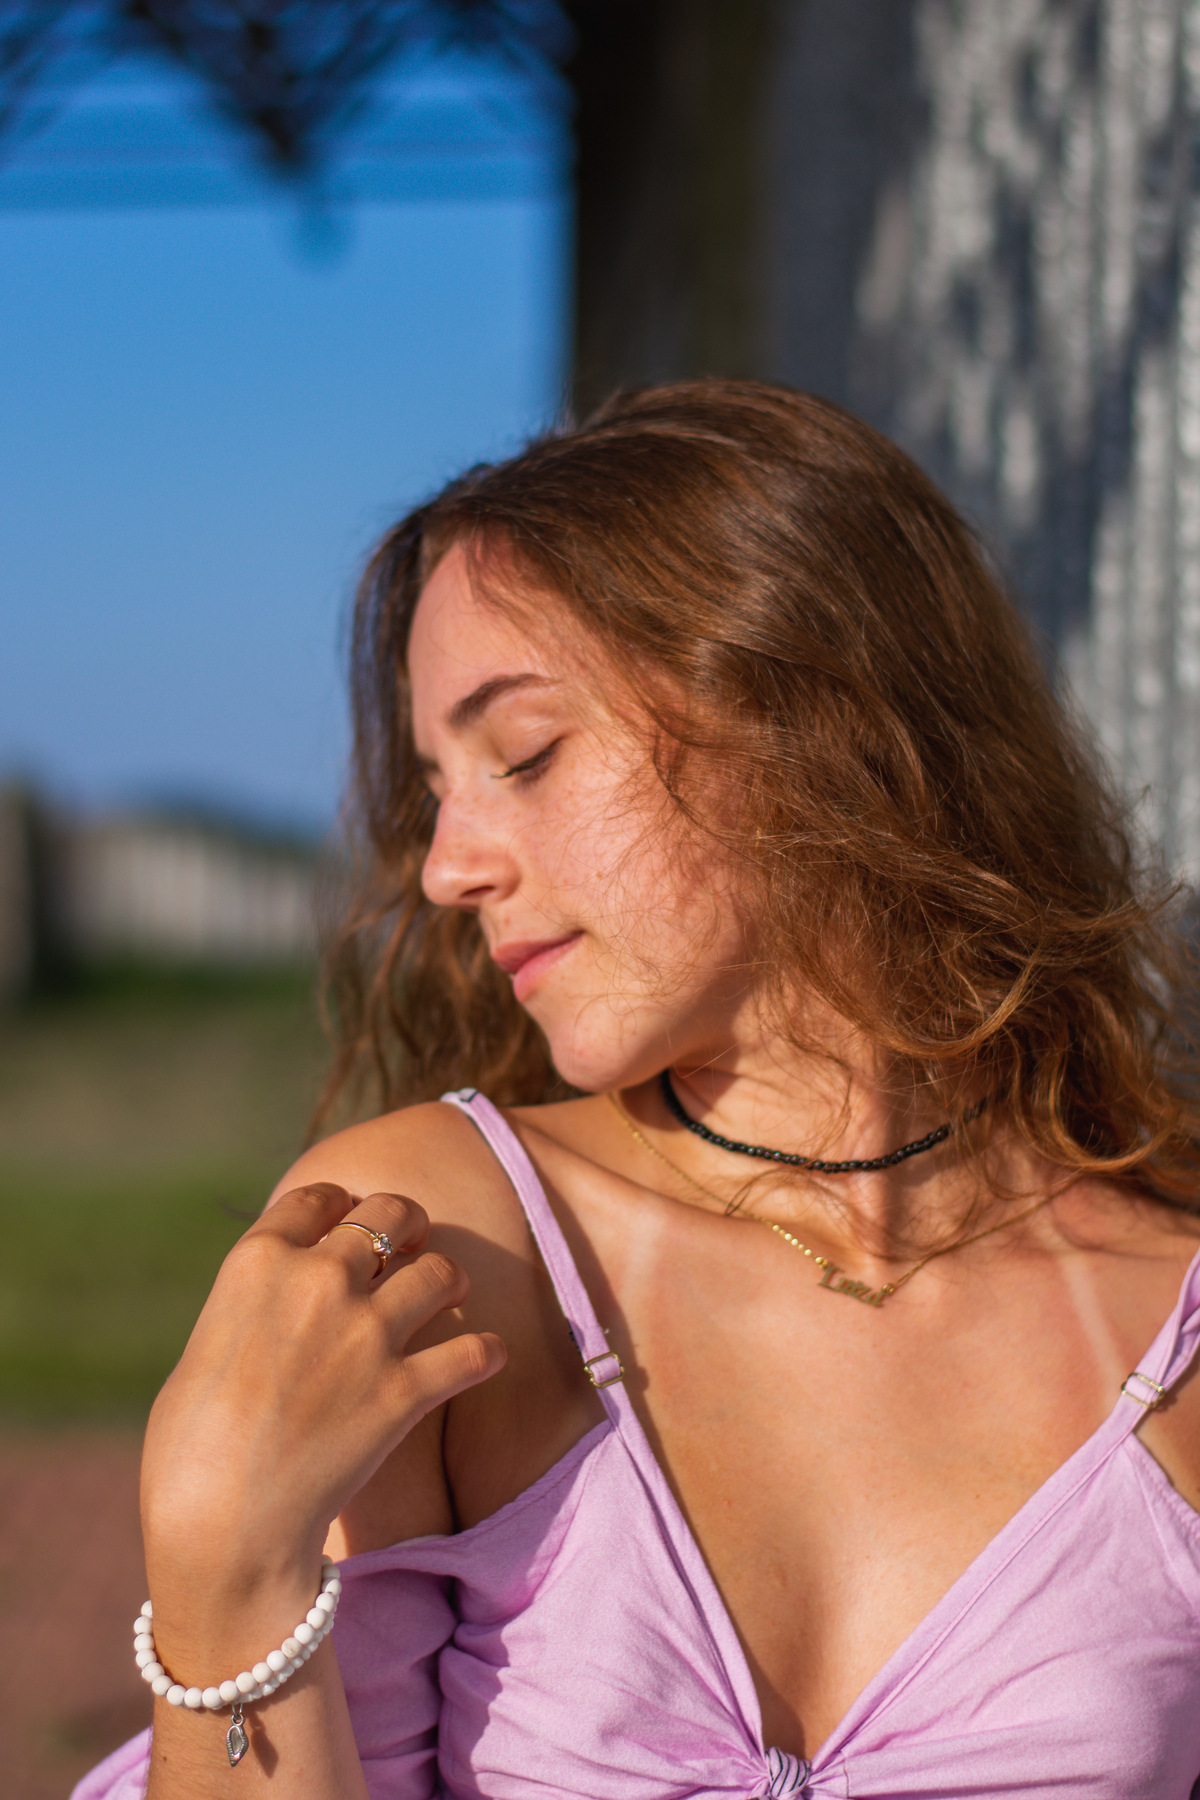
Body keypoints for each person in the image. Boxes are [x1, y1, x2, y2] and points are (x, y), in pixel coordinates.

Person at [76, 382, 1200, 1800]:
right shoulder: (443, 1258)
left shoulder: (1169, 1328)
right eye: (437, 788)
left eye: (526, 755)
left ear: (804, 701)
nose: (446, 868)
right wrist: (224, 1571)